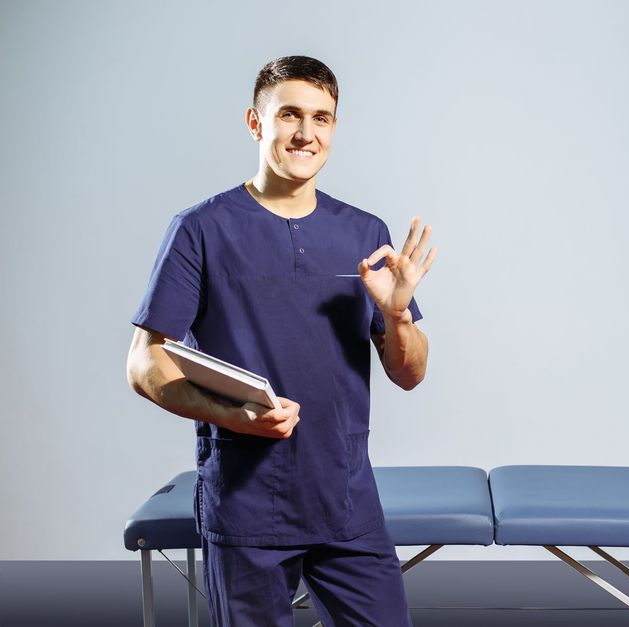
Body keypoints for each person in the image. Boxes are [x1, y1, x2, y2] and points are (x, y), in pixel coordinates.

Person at [125, 55, 436, 627]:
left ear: (334, 128)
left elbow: (409, 373)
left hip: (345, 496)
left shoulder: (364, 233)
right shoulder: (201, 229)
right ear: (255, 122)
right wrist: (234, 415)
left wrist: (397, 318)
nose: (305, 133)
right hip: (248, 502)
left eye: (322, 118)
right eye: (289, 114)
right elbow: (145, 363)